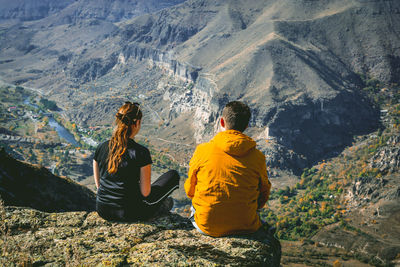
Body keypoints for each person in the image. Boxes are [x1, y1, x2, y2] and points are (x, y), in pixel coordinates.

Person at [184, 101, 271, 237]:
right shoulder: (258, 157)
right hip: (246, 225)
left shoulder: (203, 150)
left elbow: (190, 190)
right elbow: (264, 194)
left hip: (206, 226)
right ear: (246, 126)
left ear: (222, 122)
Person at [93, 101, 179, 222]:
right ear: (137, 123)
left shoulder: (101, 147)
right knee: (173, 175)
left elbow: (98, 185)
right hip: (130, 213)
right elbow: (145, 193)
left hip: (102, 209)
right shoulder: (141, 152)